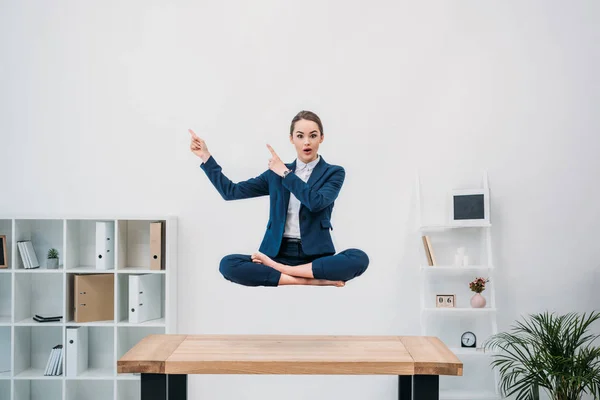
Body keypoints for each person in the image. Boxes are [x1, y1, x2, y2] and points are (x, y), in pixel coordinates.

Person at [189, 110, 369, 287]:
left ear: (321, 138)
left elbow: (316, 203)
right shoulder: (274, 174)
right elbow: (231, 192)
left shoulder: (333, 172)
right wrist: (206, 157)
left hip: (315, 256)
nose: (307, 142)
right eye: (300, 136)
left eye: (313, 136)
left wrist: (285, 173)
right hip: (276, 253)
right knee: (228, 264)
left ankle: (282, 271)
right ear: (292, 139)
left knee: (359, 258)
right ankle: (309, 279)